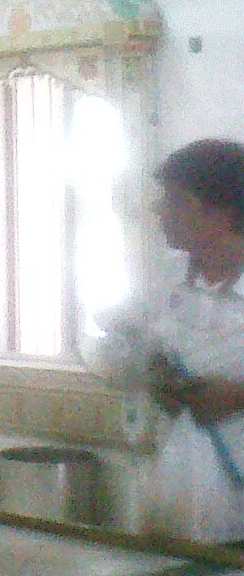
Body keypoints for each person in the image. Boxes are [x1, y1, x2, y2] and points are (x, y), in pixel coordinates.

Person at [99, 139, 244, 543]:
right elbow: (115, 343)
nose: (159, 211)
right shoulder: (164, 278)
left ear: (221, 213)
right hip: (182, 492)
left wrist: (237, 397)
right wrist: (152, 375)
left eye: (176, 200)